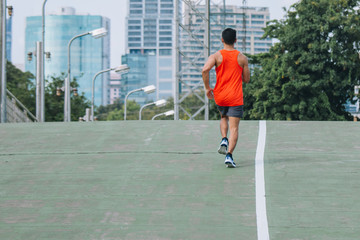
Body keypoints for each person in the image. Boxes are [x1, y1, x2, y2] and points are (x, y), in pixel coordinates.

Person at [202, 28, 250, 168]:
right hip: (235, 97)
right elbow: (246, 79)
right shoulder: (242, 58)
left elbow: (205, 70)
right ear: (235, 40)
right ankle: (229, 155)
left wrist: (207, 88)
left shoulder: (216, 56)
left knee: (223, 117)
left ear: (222, 40)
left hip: (220, 96)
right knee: (234, 128)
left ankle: (224, 139)